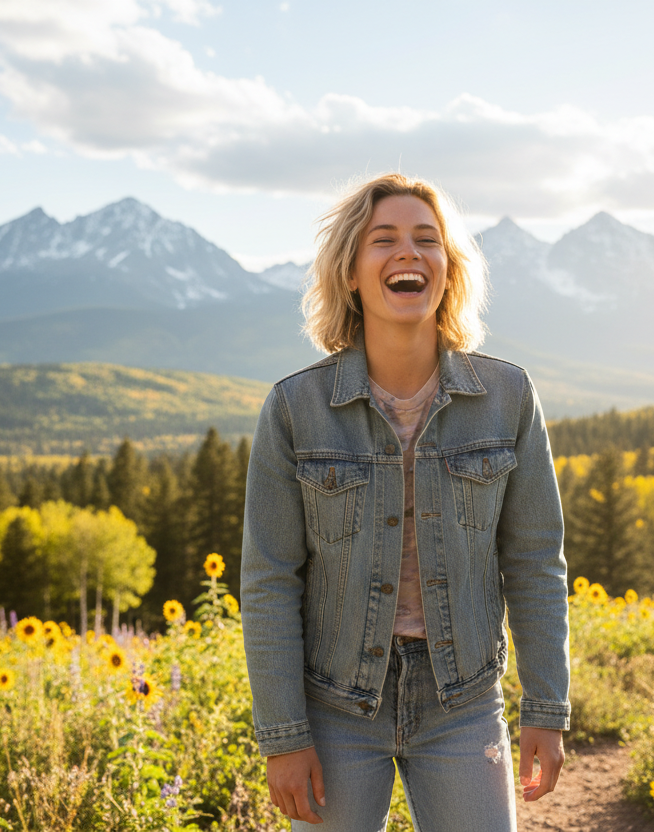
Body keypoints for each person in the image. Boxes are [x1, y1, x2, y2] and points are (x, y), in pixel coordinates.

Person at [241, 172, 570, 831]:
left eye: (427, 239)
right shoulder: (295, 409)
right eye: (383, 239)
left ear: (449, 269)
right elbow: (270, 581)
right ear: (351, 272)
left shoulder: (508, 398)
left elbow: (536, 562)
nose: (408, 252)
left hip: (464, 703)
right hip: (334, 706)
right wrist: (284, 735)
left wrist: (545, 708)